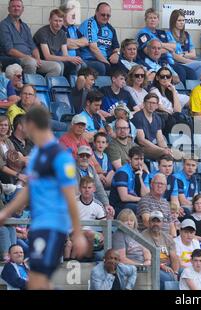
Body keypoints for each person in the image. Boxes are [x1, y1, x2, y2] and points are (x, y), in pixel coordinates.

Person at [0, 106, 88, 289]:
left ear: (32, 125)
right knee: (38, 282)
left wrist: (78, 233)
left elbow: (70, 195)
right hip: (39, 225)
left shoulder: (60, 157)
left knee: (37, 281)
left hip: (52, 227)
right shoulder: (39, 155)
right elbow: (29, 189)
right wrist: (5, 213)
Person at [0, 0, 61, 77]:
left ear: (22, 9)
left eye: (18, 6)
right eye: (13, 6)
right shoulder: (4, 25)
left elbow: (33, 47)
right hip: (14, 59)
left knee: (56, 67)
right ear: (9, 9)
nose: (16, 8)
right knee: (31, 62)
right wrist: (29, 57)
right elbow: (9, 50)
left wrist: (38, 59)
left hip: (30, 59)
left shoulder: (25, 26)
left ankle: (41, 87)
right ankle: (28, 88)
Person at [33, 9, 83, 79]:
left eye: (60, 21)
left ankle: (71, 86)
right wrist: (69, 58)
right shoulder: (42, 32)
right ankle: (55, 87)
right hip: (41, 61)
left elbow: (65, 54)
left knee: (77, 64)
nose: (58, 24)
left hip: (54, 59)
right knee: (60, 65)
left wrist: (73, 59)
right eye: (55, 21)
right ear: (50, 20)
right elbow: (47, 56)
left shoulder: (62, 33)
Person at [142, 210, 180, 290]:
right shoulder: (142, 236)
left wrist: (176, 272)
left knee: (185, 272)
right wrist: (161, 266)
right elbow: (146, 258)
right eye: (153, 221)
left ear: (162, 223)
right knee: (168, 278)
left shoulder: (168, 237)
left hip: (169, 266)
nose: (155, 224)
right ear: (149, 222)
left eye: (158, 221)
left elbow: (174, 257)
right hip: (153, 267)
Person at [78, 2, 120, 76]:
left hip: (106, 59)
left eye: (108, 15)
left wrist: (116, 54)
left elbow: (116, 46)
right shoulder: (89, 24)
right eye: (103, 14)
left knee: (122, 67)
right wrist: (107, 63)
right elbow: (93, 48)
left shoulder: (111, 29)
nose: (106, 17)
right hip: (89, 59)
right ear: (96, 13)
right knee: (102, 67)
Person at [109, 146, 150, 215]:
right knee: (141, 208)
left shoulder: (143, 173)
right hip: (118, 206)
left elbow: (145, 195)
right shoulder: (122, 172)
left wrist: (140, 178)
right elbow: (124, 197)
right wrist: (141, 200)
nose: (139, 162)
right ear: (130, 159)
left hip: (133, 203)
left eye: (141, 159)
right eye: (136, 159)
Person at [131, 93, 172, 160]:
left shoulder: (157, 118)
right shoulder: (138, 117)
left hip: (154, 147)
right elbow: (141, 140)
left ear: (157, 106)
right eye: (149, 102)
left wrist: (165, 148)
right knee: (165, 155)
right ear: (144, 103)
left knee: (177, 154)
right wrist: (161, 150)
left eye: (154, 103)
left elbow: (160, 139)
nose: (151, 105)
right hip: (140, 149)